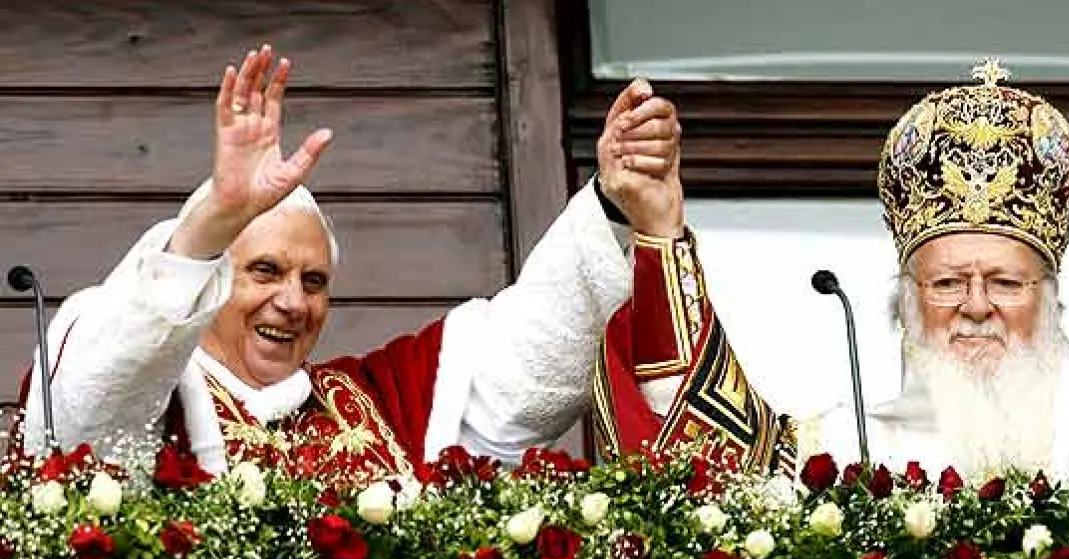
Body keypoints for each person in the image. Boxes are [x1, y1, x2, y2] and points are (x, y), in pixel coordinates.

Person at [19, 45, 683, 484]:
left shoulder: (373, 403)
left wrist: (614, 201)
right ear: (211, 280)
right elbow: (88, 409)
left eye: (313, 282)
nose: (293, 302)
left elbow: (530, 353)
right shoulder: (154, 403)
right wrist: (215, 220)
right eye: (265, 271)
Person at [593, 61, 1069, 482]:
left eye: (1006, 283)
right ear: (906, 306)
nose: (976, 306)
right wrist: (659, 228)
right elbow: (708, 459)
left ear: (1049, 302)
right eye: (947, 283)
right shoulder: (836, 457)